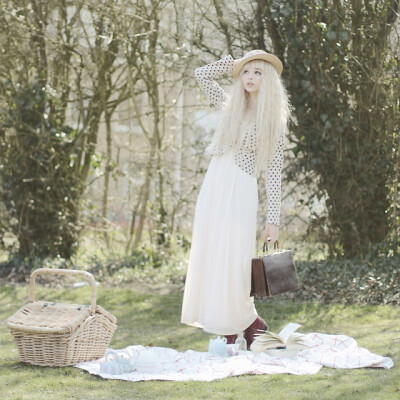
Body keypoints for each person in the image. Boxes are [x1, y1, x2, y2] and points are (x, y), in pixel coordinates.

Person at [181, 50, 290, 348]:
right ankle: (237, 325)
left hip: (240, 189)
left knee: (235, 260)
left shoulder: (273, 122)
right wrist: (228, 65)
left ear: (267, 79)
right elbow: (201, 75)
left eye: (257, 72)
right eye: (246, 72)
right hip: (214, 186)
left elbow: (274, 172)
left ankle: (245, 322)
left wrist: (273, 220)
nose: (250, 77)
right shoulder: (230, 105)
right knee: (214, 253)